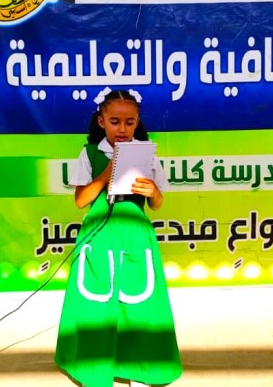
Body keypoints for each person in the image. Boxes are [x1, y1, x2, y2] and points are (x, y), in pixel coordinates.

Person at [55, 88, 182, 387]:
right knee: (96, 305)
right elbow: (81, 201)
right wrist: (107, 173)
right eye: (114, 122)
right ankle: (94, 370)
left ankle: (140, 369)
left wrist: (153, 191)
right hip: (99, 238)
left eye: (129, 122)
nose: (122, 129)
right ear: (101, 121)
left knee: (138, 303)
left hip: (135, 237)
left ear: (137, 122)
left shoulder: (146, 154)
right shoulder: (89, 153)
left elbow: (157, 203)